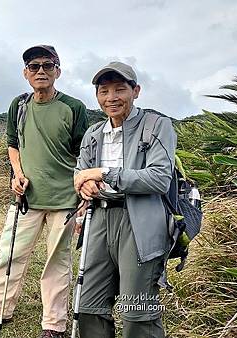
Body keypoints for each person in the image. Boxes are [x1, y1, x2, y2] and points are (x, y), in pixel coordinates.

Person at [0, 45, 88, 338]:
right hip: (26, 197)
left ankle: (54, 324)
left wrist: (81, 194)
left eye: (48, 65)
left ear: (58, 70)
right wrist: (17, 175)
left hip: (64, 199)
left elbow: (83, 154)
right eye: (34, 66)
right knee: (9, 253)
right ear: (26, 73)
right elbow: (12, 144)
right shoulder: (19, 105)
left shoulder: (74, 107)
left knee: (57, 262)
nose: (41, 71)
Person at [72, 61, 175, 338]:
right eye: (104, 91)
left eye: (120, 89)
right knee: (87, 306)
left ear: (136, 91)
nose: (111, 97)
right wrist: (84, 185)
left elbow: (159, 178)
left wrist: (104, 173)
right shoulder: (94, 133)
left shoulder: (157, 125)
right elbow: (80, 173)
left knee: (136, 312)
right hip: (100, 220)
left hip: (139, 224)